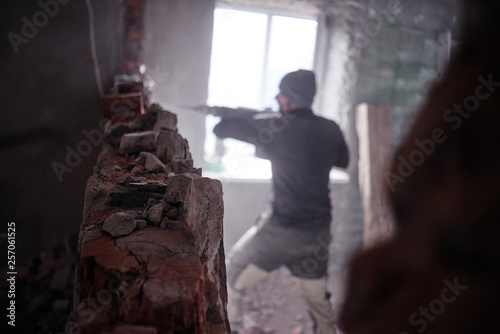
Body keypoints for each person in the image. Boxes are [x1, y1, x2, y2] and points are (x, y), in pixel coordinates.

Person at [209, 70, 349, 334]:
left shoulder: (275, 127)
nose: (276, 97)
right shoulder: (330, 128)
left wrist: (235, 113)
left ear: (292, 97)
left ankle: (232, 329)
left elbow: (222, 128)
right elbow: (343, 160)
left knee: (230, 276)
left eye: (282, 92)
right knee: (319, 302)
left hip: (281, 233)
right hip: (318, 234)